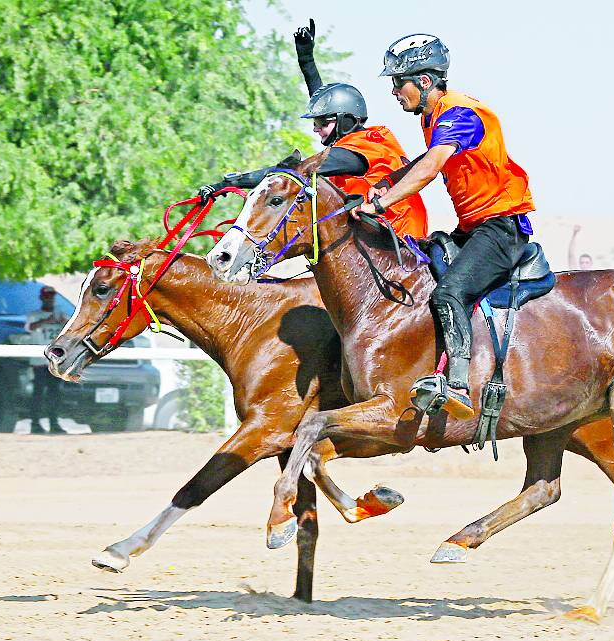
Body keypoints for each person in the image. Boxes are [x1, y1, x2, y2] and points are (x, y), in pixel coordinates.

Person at [354, 34, 535, 419]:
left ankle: (457, 387)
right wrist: (385, 183)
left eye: (397, 82)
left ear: (423, 81)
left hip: (502, 230)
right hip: (473, 229)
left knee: (448, 293)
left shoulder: (458, 113)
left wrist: (383, 202)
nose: (393, 91)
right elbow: (423, 159)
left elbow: (431, 165)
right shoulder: (433, 117)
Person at [197, 20, 427, 239]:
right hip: (379, 236)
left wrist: (232, 182)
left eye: (321, 123)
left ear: (344, 121)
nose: (316, 129)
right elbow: (325, 104)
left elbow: (296, 172)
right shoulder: (352, 141)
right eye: (315, 123)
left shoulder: (363, 149)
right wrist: (306, 60)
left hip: (399, 241)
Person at [26, 286, 67, 434]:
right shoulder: (35, 315)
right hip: (39, 361)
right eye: (47, 296)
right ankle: (35, 423)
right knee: (38, 392)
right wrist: (46, 320)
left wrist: (63, 321)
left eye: (52, 296)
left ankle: (53, 422)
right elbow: (29, 327)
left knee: (54, 393)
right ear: (42, 298)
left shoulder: (60, 314)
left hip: (56, 361)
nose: (50, 299)